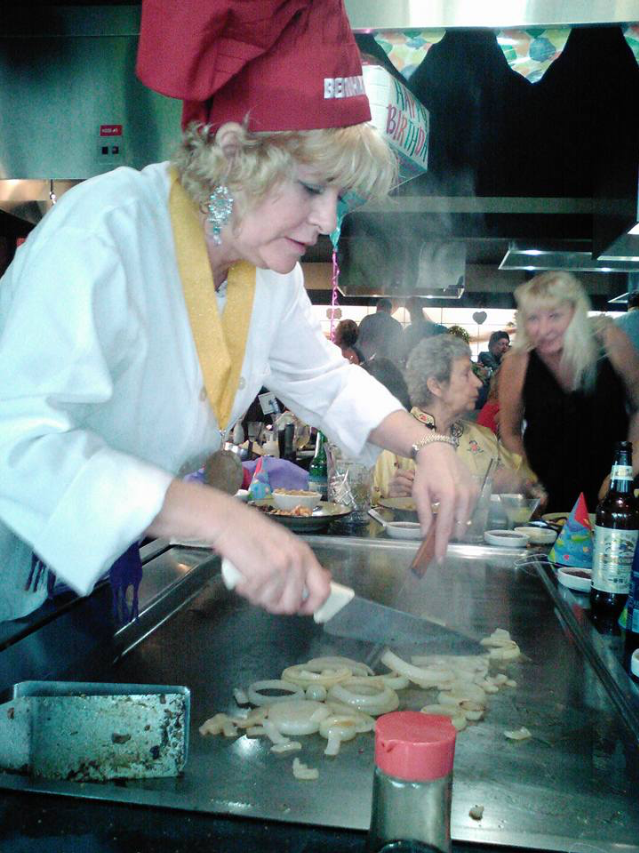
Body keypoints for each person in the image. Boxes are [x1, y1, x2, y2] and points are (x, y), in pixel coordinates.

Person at [0, 0, 476, 624]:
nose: (328, 221)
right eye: (311, 188)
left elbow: (325, 380)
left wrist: (427, 444)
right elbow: (19, 441)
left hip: (84, 580)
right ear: (231, 155)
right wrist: (218, 517)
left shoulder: (262, 275)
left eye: (340, 196)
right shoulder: (105, 233)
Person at [499, 271, 639, 513]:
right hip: (547, 496)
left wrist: (626, 470)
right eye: (533, 318)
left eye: (554, 316)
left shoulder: (609, 340)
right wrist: (529, 478)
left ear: (575, 313)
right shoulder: (517, 361)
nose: (543, 329)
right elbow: (510, 431)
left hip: (612, 490)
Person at [374, 336, 539, 500]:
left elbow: (534, 495)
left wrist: (517, 485)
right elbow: (362, 510)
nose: (478, 383)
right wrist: (392, 498)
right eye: (466, 374)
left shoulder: (484, 439)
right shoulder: (390, 444)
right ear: (436, 385)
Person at [357, 298, 404, 365]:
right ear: (390, 310)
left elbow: (358, 340)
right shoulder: (396, 325)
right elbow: (400, 348)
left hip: (367, 362)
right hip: (389, 365)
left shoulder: (367, 320)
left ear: (378, 307)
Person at [401, 295, 446, 364]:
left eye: (410, 312)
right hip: (435, 367)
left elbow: (403, 354)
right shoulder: (439, 329)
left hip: (416, 368)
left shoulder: (408, 332)